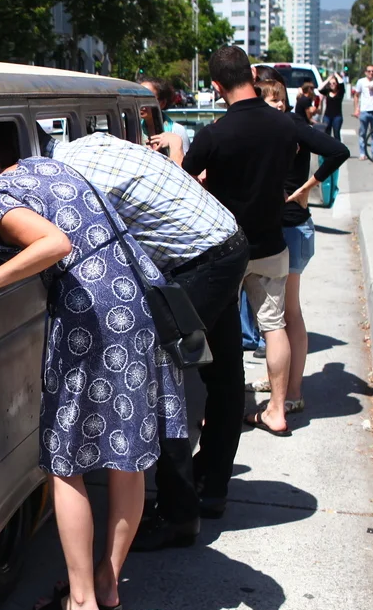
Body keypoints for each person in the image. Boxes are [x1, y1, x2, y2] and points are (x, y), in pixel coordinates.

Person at [0, 127, 188, 610]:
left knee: (66, 462)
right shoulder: (44, 169)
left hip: (91, 322)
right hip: (135, 306)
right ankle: (107, 586)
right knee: (126, 457)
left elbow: (55, 243)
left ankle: (82, 605)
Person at [50, 95, 248, 552]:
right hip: (225, 237)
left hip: (198, 259)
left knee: (158, 382)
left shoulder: (72, 184)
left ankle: (179, 514)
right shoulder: (90, 146)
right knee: (222, 375)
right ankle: (211, 486)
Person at [180, 47, 302, 507]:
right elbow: (332, 151)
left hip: (223, 252)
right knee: (272, 326)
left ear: (215, 87)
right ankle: (275, 410)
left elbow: (182, 182)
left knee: (222, 366)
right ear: (251, 74)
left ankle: (204, 465)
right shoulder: (283, 125)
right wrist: (299, 189)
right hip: (271, 242)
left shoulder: (214, 133)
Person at [248, 76, 349, 419]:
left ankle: (293, 393)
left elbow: (338, 151)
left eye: (280, 98)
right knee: (274, 314)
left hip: (292, 228)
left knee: (288, 313)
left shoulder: (292, 126)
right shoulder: (267, 129)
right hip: (277, 230)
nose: (277, 104)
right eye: (269, 99)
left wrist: (309, 186)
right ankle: (279, 382)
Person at [351, 65, 373, 159]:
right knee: (362, 133)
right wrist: (356, 108)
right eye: (369, 71)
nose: (371, 73)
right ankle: (362, 153)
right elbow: (356, 95)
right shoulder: (361, 81)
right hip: (364, 110)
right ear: (365, 72)